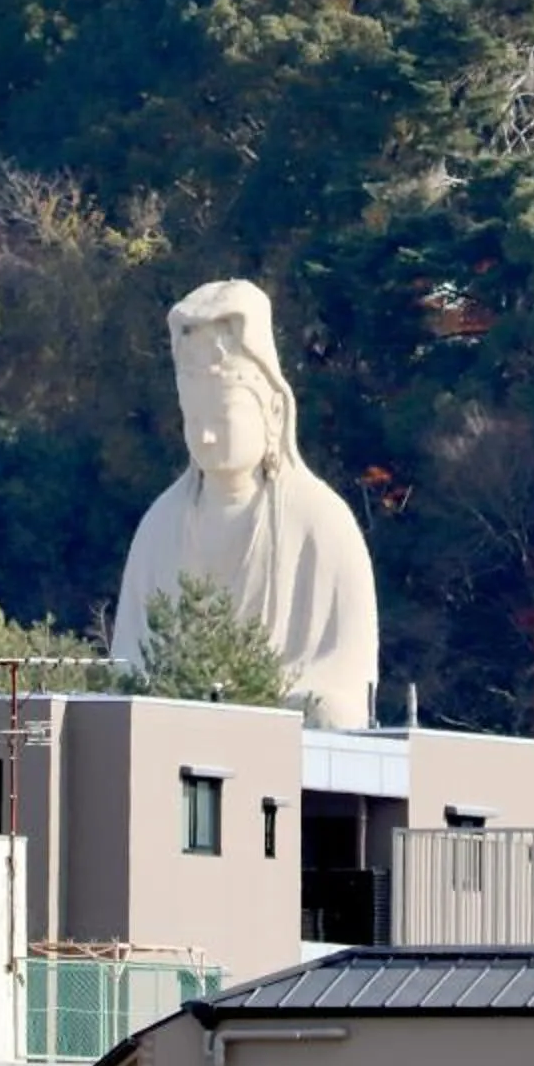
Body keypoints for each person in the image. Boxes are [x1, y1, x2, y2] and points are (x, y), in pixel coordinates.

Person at [110, 280, 379, 729]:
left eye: (222, 419)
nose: (206, 436)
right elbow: (127, 664)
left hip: (280, 710)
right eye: (194, 420)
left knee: (327, 711)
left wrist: (264, 699)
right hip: (177, 716)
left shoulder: (320, 520)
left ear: (272, 413)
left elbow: (347, 669)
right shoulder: (161, 525)